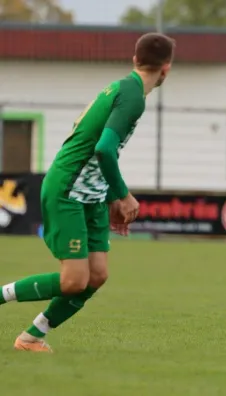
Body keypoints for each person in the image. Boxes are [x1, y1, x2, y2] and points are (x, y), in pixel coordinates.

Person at [0, 32, 175, 352]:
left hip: (91, 194)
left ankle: (32, 337)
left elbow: (99, 154)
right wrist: (123, 195)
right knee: (73, 281)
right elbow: (105, 150)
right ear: (167, 68)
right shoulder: (132, 96)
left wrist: (108, 198)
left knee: (96, 275)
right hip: (68, 189)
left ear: (135, 59)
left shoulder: (126, 89)